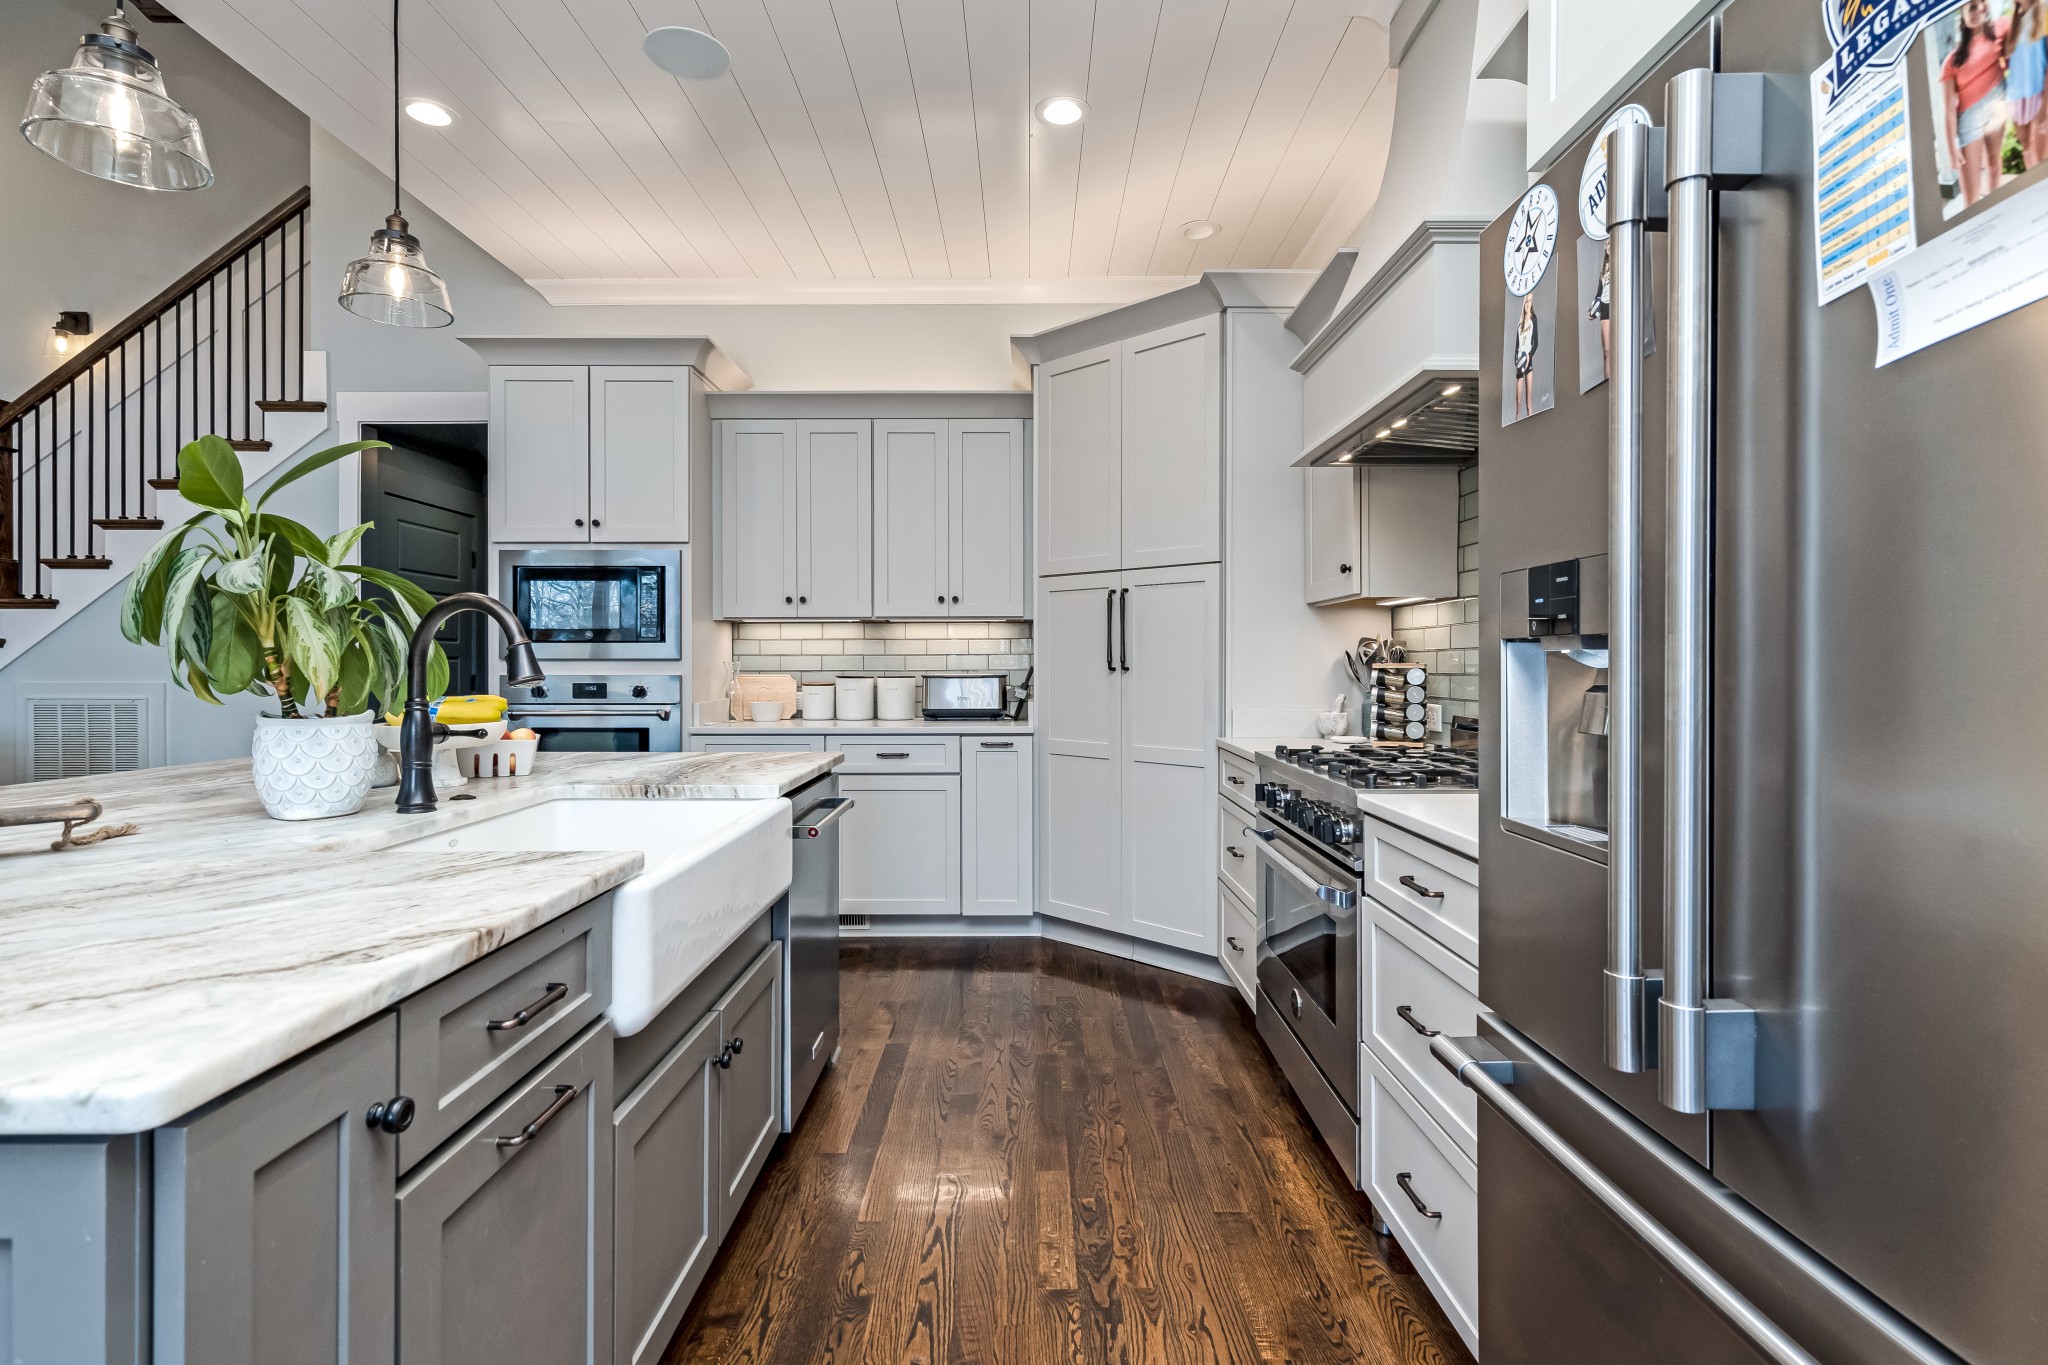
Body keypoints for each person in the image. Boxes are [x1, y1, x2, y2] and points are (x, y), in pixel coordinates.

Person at [1943, 0, 2013, 206]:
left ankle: (1996, 207)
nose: (1979, 9)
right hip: (1969, 120)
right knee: (1971, 198)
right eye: (1972, 6)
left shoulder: (2001, 28)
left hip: (1997, 104)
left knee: (1994, 163)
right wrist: (1951, 149)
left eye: (1982, 4)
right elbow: (1948, 107)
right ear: (1962, 15)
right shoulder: (1952, 60)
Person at [2006, 0, 2048, 169]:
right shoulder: (2014, 20)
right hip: (2016, 97)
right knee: (2027, 149)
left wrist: (2045, 105)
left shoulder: (2044, 10)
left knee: (2041, 157)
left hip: (2038, 94)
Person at [1588, 244, 1613, 379]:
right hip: (1604, 307)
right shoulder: (1603, 270)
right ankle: (1607, 379)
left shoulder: (1622, 261)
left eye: (1612, 242)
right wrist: (1592, 312)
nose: (1609, 246)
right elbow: (1599, 293)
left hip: (1617, 305)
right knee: (1607, 350)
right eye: (1607, 243)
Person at [1514, 292, 1539, 421]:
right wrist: (1517, 363)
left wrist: (1529, 356)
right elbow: (1516, 348)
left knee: (1528, 403)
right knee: (1518, 405)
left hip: (1528, 363)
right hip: (1520, 364)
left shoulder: (1533, 319)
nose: (1528, 304)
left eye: (1530, 301)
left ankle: (1531, 429)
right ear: (1523, 303)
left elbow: (1536, 343)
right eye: (1526, 301)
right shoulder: (1519, 325)